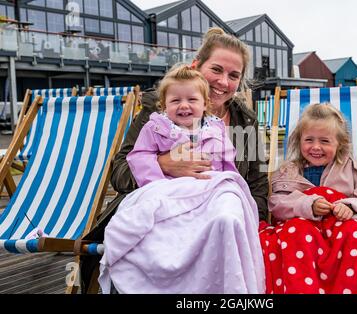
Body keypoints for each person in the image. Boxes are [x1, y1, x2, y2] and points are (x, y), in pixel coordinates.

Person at [79, 27, 269, 293]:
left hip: (217, 222)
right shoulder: (159, 112)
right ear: (196, 66)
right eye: (216, 70)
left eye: (234, 75)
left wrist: (247, 224)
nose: (224, 82)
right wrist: (163, 164)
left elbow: (258, 187)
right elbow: (120, 171)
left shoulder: (244, 123)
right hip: (164, 218)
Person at [259, 103, 357, 294]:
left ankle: (356, 289)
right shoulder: (288, 171)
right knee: (295, 231)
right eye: (309, 140)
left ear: (339, 143)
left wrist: (349, 206)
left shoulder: (350, 169)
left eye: (325, 141)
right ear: (299, 141)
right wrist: (308, 204)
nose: (316, 147)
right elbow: (277, 204)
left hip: (341, 232)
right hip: (305, 235)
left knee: (356, 234)